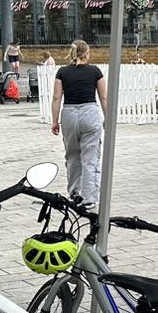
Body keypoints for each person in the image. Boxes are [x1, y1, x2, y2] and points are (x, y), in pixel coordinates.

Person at [50, 39, 106, 206]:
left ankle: (75, 193)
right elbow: (104, 97)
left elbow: (56, 98)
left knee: (72, 155)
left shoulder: (62, 72)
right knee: (90, 157)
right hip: (90, 113)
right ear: (86, 53)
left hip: (69, 114)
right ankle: (89, 198)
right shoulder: (95, 71)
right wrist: (108, 118)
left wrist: (55, 121)